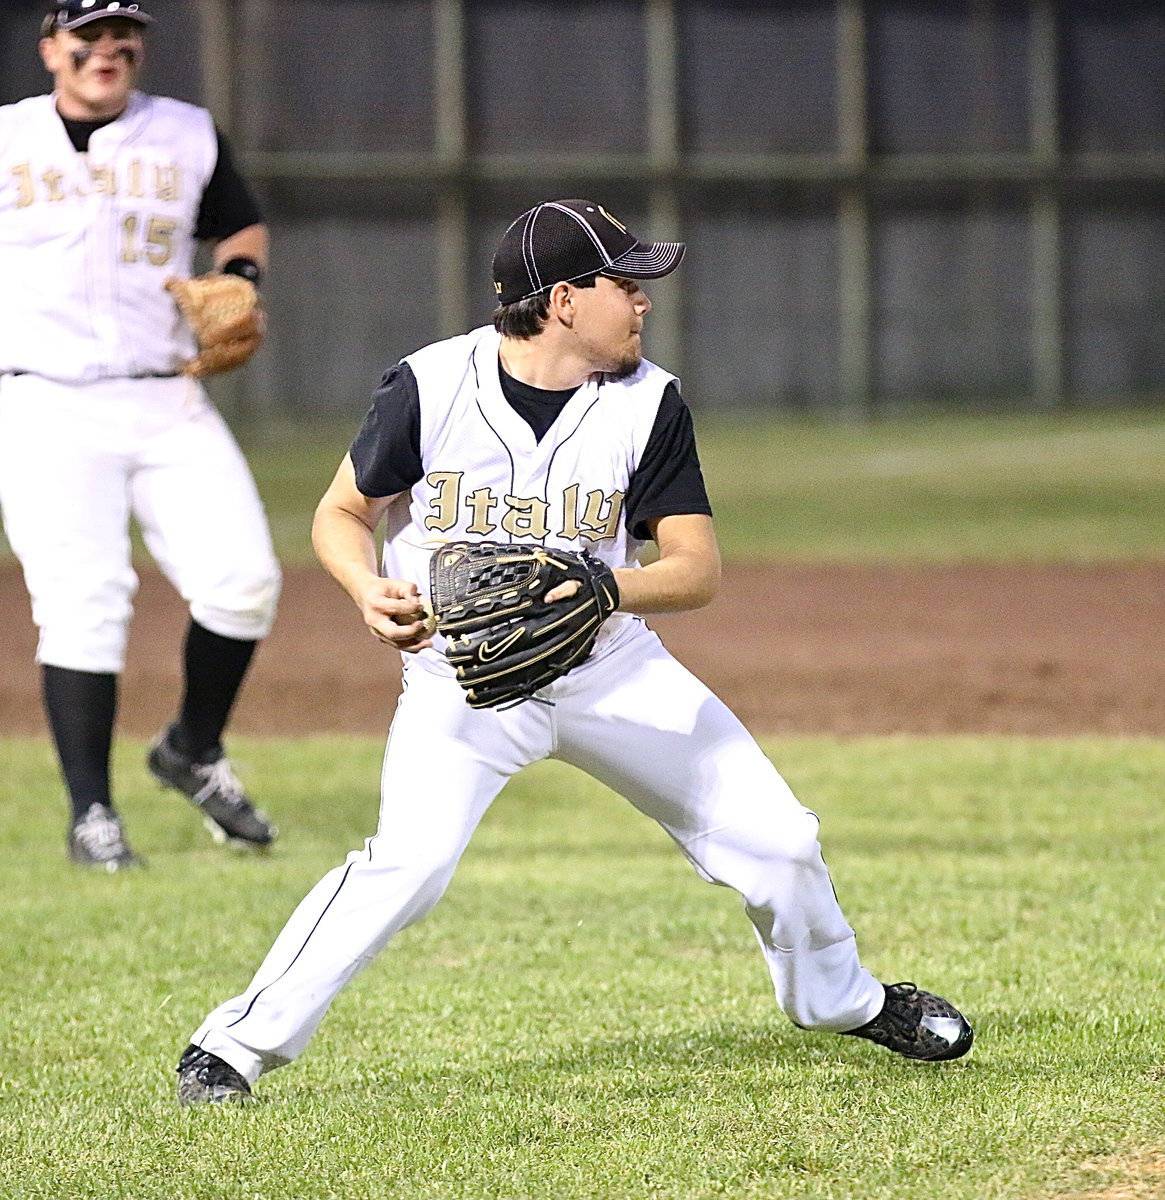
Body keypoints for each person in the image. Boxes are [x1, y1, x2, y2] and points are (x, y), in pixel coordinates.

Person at [175, 198, 972, 1104]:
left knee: (780, 842)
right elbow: (342, 512)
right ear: (562, 301)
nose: (642, 301)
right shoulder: (431, 384)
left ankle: (842, 1001)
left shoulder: (648, 401)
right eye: (623, 284)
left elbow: (695, 570)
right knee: (407, 866)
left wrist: (605, 588)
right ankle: (230, 1048)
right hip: (461, 679)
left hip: (610, 669)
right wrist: (366, 588)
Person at [0, 0, 281, 871]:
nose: (108, 50)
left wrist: (239, 275)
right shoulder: (6, 138)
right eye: (88, 36)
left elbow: (239, 223)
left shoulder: (185, 133)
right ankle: (92, 814)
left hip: (165, 396)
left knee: (244, 581)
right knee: (82, 605)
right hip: (45, 400)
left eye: (124, 36)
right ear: (51, 48)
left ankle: (191, 749)